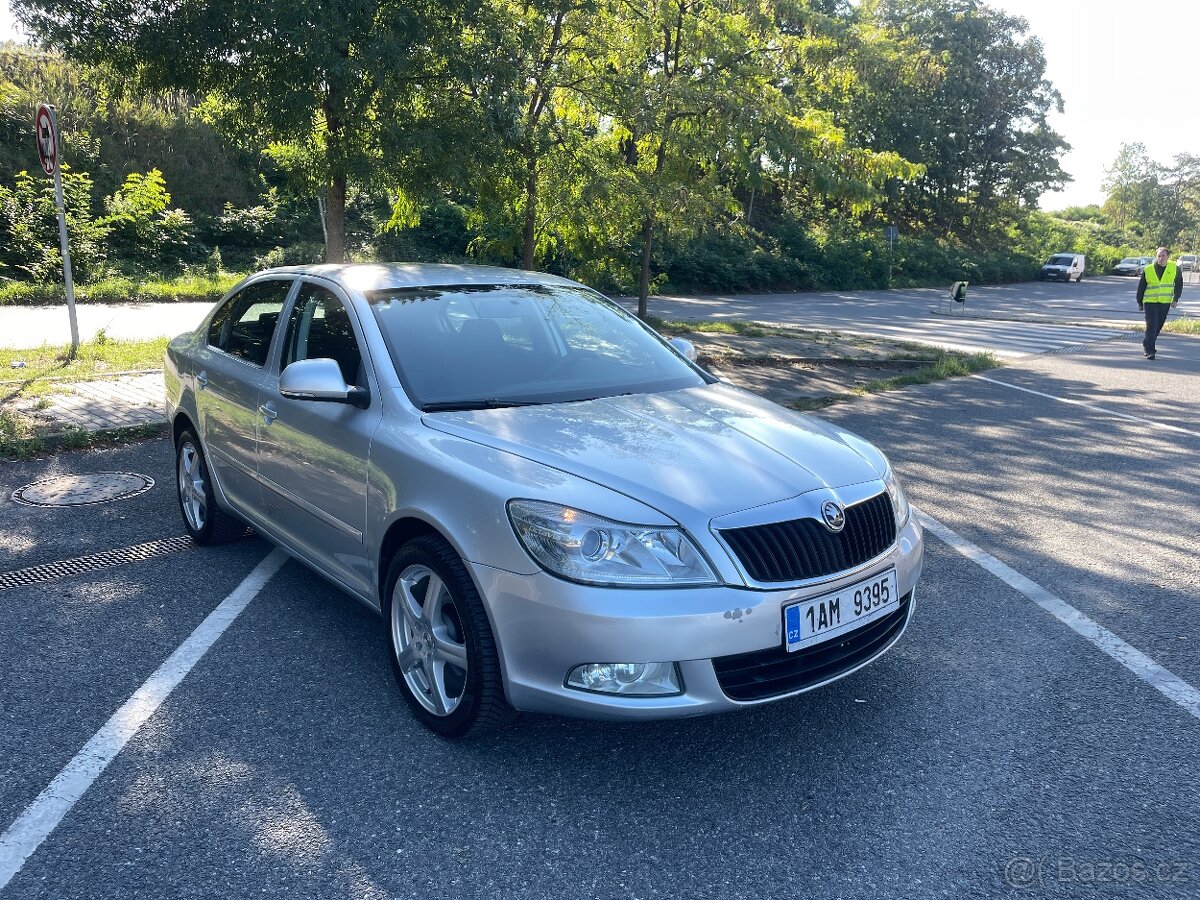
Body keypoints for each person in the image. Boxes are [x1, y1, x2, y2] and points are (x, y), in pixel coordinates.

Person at [1136, 247, 1182, 359]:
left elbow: (1179, 284)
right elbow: (1141, 287)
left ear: (1168, 257)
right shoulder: (1148, 269)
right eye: (1159, 256)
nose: (1161, 258)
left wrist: (1175, 299)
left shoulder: (1174, 268)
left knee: (1158, 325)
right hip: (1150, 302)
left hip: (1164, 302)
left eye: (1163, 256)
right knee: (1152, 325)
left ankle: (1147, 342)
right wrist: (1140, 302)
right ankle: (1150, 351)